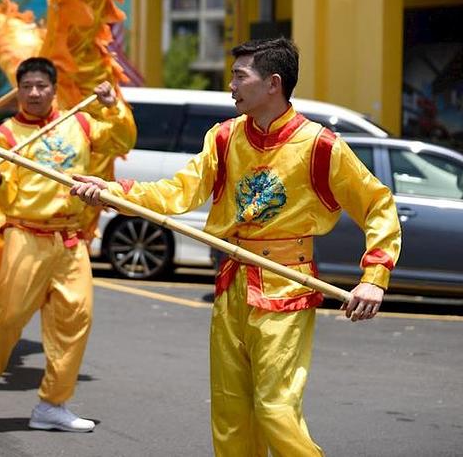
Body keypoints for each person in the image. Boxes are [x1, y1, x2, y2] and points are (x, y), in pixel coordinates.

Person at [71, 38, 401, 456]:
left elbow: (378, 204)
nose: (231, 85)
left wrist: (375, 278)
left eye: (240, 76)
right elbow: (180, 191)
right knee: (230, 413)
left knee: (275, 409)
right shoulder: (225, 138)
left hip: (286, 287)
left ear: (273, 84)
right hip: (233, 286)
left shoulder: (320, 145)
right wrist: (115, 192)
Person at [0, 57, 135, 432]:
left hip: (70, 237)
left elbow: (122, 140)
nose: (34, 93)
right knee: (8, 319)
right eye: (27, 86)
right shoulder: (5, 134)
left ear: (54, 88)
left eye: (42, 86)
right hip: (26, 233)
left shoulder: (81, 121)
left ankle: (52, 403)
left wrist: (114, 107)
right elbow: (5, 195)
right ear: (18, 90)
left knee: (76, 318)